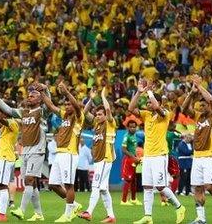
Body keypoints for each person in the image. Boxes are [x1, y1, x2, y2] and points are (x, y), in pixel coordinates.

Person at [128, 79, 185, 224]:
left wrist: (150, 92)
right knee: (147, 186)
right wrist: (139, 93)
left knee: (160, 186)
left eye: (149, 102)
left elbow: (157, 107)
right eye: (146, 103)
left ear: (158, 102)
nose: (147, 105)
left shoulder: (165, 113)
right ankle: (148, 216)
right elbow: (130, 108)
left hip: (160, 155)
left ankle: (179, 207)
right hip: (148, 156)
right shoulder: (146, 115)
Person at [0, 83, 49, 222]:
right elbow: (7, 109)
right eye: (29, 96)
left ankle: (21, 210)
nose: (29, 97)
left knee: (29, 180)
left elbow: (48, 101)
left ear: (39, 99)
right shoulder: (23, 112)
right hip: (25, 150)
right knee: (31, 184)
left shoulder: (42, 111)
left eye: (33, 96)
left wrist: (45, 89)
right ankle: (39, 213)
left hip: (37, 149)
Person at [181, 76, 212, 223]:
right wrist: (191, 92)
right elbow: (183, 109)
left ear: (209, 105)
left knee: (210, 186)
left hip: (210, 156)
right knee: (198, 188)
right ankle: (201, 218)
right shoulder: (198, 117)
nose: (201, 108)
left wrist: (199, 86)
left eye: (204, 105)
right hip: (197, 157)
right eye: (200, 106)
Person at [39, 82, 85, 222]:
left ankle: (68, 214)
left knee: (69, 185)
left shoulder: (79, 116)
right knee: (53, 185)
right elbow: (51, 106)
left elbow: (77, 106)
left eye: (69, 104)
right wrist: (42, 93)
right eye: (65, 104)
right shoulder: (65, 115)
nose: (67, 106)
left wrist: (66, 93)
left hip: (70, 154)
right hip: (60, 154)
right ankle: (74, 205)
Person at [79, 88, 116, 223]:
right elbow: (85, 113)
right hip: (99, 159)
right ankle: (111, 216)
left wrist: (101, 97)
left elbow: (108, 111)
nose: (98, 116)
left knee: (95, 186)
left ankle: (89, 212)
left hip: (105, 159)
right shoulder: (96, 123)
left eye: (101, 114)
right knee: (103, 189)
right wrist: (91, 99)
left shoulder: (110, 123)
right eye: (97, 114)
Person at [120, 120, 141, 206]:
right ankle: (124, 201)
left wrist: (136, 158)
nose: (132, 128)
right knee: (128, 180)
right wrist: (133, 157)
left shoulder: (134, 136)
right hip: (128, 160)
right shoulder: (126, 136)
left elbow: (133, 149)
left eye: (134, 127)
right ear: (127, 127)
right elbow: (123, 149)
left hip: (133, 159)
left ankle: (133, 199)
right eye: (131, 127)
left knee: (133, 180)